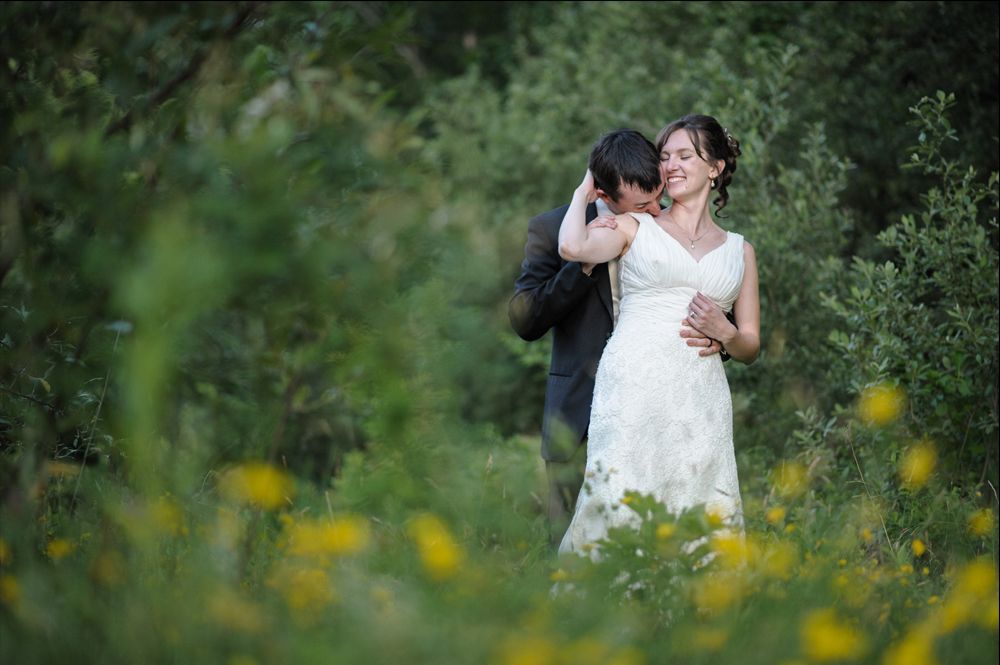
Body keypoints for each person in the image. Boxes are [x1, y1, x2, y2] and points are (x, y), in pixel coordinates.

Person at [508, 129, 726, 548]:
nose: (655, 209)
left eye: (658, 195)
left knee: (655, 545)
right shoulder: (551, 229)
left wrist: (718, 338)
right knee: (571, 554)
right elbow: (525, 319)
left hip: (656, 414)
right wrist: (584, 265)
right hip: (579, 417)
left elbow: (705, 295)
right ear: (604, 193)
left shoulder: (671, 226)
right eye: (642, 205)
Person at [556, 114, 759, 558]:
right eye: (665, 156)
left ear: (716, 167)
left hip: (700, 393)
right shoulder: (633, 226)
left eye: (685, 155)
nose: (671, 166)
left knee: (700, 500)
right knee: (620, 498)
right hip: (633, 384)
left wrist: (724, 333)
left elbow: (750, 345)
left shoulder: (739, 249)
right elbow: (571, 248)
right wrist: (583, 194)